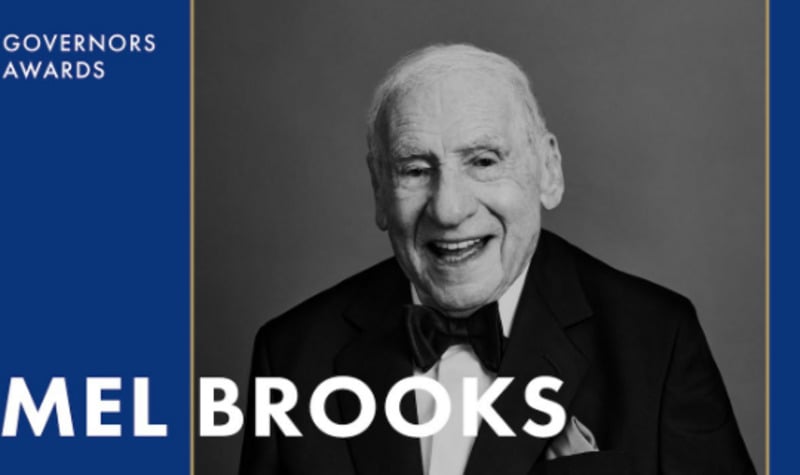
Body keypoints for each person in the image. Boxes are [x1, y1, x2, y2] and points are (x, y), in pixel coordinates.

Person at [239, 44, 755, 475]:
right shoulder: (290, 356)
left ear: (548, 169)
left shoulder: (656, 339)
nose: (449, 208)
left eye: (483, 161)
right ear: (379, 191)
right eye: (416, 170)